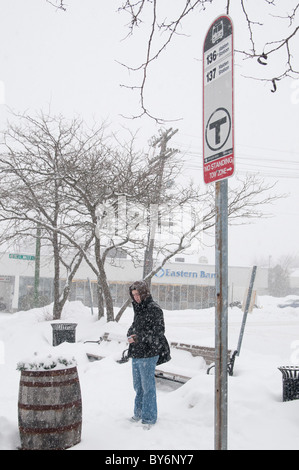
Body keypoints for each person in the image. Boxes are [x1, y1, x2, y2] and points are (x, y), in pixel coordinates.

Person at [127, 280, 171, 428]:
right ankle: (138, 414)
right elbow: (135, 326)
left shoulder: (154, 309)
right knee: (138, 387)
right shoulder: (138, 308)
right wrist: (130, 334)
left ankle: (149, 418)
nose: (136, 297)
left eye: (138, 294)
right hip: (137, 353)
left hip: (149, 353)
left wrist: (139, 338)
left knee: (148, 388)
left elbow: (158, 332)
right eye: (133, 295)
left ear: (144, 293)